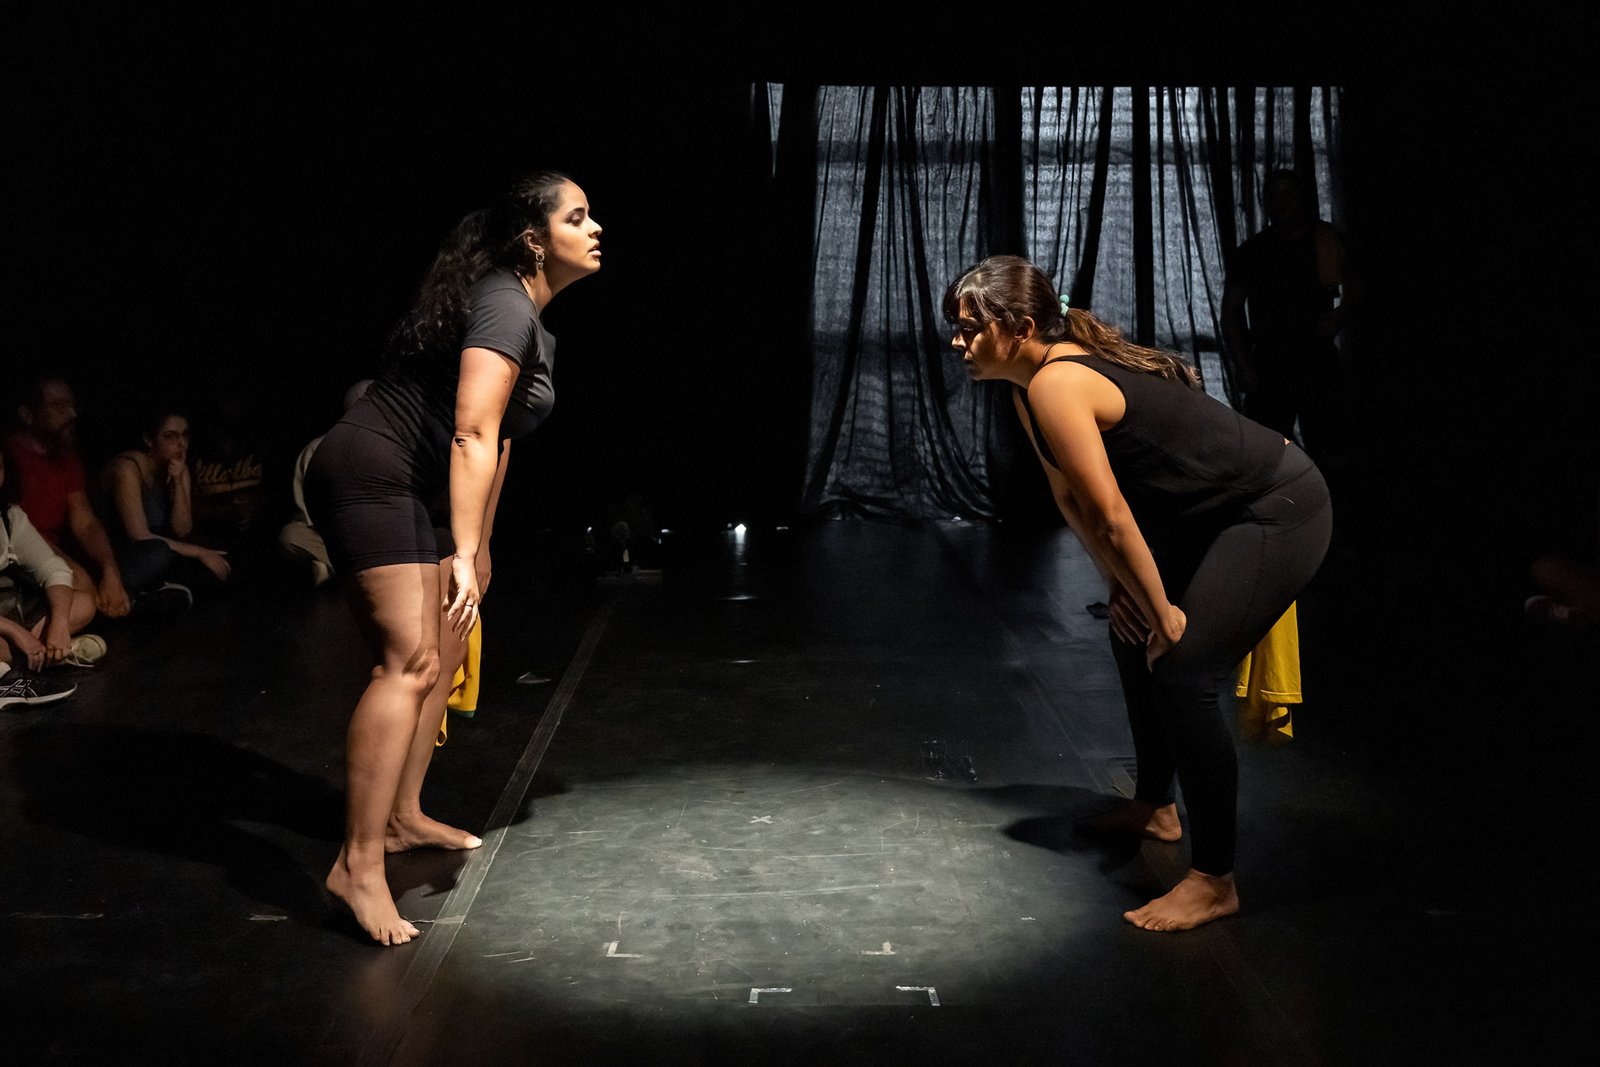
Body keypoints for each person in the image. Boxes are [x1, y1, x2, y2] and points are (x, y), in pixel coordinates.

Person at [946, 255, 1332, 932]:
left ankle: (1214, 878)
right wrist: (1127, 593)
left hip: (1279, 506)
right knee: (1131, 636)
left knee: (1184, 672)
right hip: (1214, 514)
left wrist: (1165, 612)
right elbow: (1076, 506)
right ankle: (1156, 805)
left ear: (1022, 327)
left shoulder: (1058, 386)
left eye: (970, 327)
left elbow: (1116, 515)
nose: (957, 342)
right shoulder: (1030, 385)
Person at [303, 170, 603, 945]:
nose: (595, 226)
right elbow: (469, 431)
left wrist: (482, 545)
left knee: (438, 651)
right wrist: (461, 550)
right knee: (407, 659)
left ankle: (401, 817)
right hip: (375, 469)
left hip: (420, 486)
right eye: (578, 216)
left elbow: (497, 441)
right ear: (536, 239)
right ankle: (357, 865)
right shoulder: (504, 300)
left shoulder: (528, 317)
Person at [1220, 168, 1356, 454]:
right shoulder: (1253, 252)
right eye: (1274, 196)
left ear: (1303, 198)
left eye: (1289, 193)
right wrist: (1243, 366)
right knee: (1264, 452)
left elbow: (1360, 286)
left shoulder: (1327, 240)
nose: (1282, 201)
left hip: (1317, 360)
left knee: (1329, 447)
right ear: (1265, 202)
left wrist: (1340, 313)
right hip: (1270, 363)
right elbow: (1231, 311)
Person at [4, 374, 133, 623]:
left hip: (49, 554)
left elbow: (84, 521)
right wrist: (71, 568)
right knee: (82, 591)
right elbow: (16, 528)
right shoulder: (9, 454)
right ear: (28, 414)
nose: (72, 414)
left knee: (112, 581)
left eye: (73, 405)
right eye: (58, 406)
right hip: (16, 557)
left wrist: (110, 569)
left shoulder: (68, 457)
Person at [97, 409, 233, 609]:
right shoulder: (128, 469)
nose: (181, 443)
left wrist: (178, 482)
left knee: (218, 561)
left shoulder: (178, 466)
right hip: (119, 554)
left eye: (185, 435)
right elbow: (139, 535)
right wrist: (199, 552)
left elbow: (182, 530)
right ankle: (141, 598)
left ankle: (163, 593)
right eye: (170, 436)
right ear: (150, 440)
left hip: (162, 548)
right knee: (162, 553)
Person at [1, 450, 91, 709]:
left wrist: (59, 624)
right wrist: (17, 633)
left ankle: (35, 654)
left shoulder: (8, 516)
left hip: (8, 608)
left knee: (82, 603)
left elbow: (53, 568)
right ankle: (10, 678)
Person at [277, 379, 372, 587]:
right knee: (291, 535)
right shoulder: (318, 449)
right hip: (333, 538)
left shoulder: (391, 448)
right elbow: (306, 510)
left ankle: (345, 569)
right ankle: (352, 568)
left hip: (378, 538)